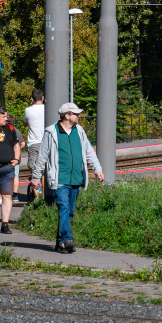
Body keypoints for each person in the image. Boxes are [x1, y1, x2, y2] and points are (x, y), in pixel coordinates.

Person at [35, 102, 105, 253]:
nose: (79, 116)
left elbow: (88, 152)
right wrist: (35, 177)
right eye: (76, 114)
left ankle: (60, 243)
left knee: (70, 211)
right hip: (59, 178)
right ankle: (68, 239)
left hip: (75, 178)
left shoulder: (79, 131)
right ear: (67, 116)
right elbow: (42, 156)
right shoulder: (51, 132)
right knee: (64, 207)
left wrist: (97, 168)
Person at [22, 88, 46, 202]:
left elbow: (26, 123)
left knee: (35, 169)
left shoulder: (28, 110)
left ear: (32, 99)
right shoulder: (48, 109)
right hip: (46, 142)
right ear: (43, 98)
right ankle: (45, 195)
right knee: (45, 171)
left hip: (34, 142)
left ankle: (37, 196)